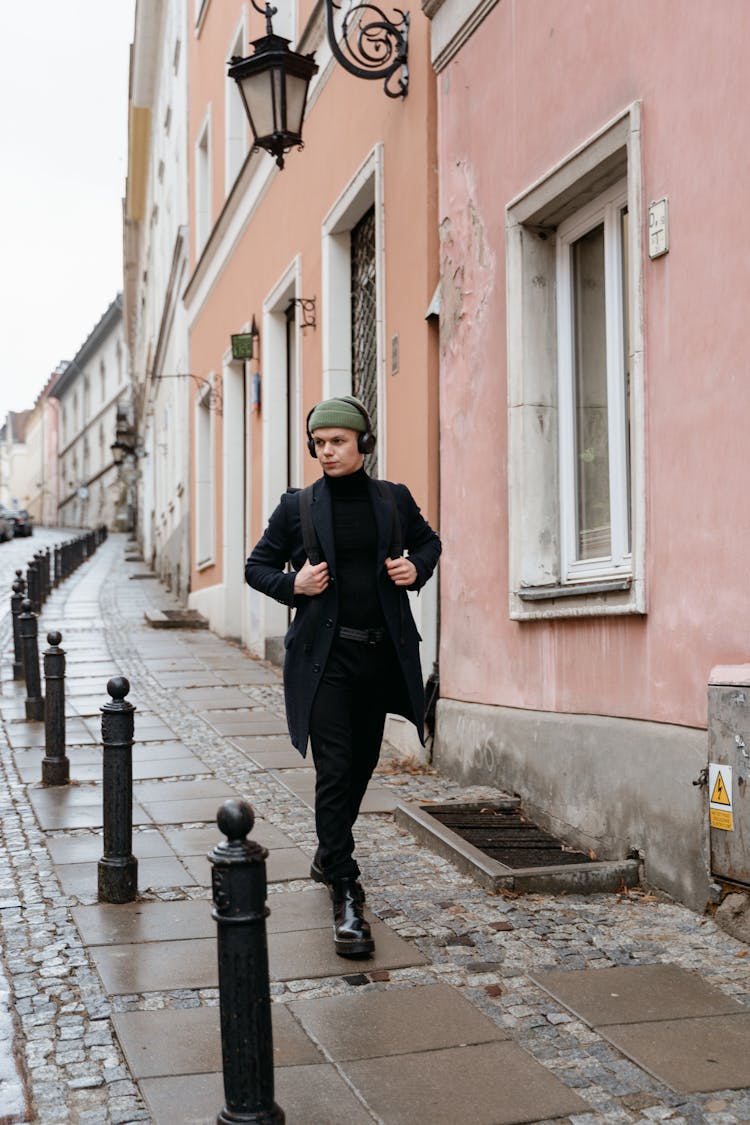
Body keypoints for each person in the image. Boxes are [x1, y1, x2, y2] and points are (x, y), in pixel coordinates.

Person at [245, 396, 441, 958]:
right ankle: (348, 891)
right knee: (334, 769)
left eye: (337, 441)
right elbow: (257, 566)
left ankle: (328, 852)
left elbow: (429, 543)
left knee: (360, 764)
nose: (326, 451)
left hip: (380, 657)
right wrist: (294, 586)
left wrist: (416, 567)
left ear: (363, 444)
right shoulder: (298, 507)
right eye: (319, 443)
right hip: (324, 662)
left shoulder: (392, 500)